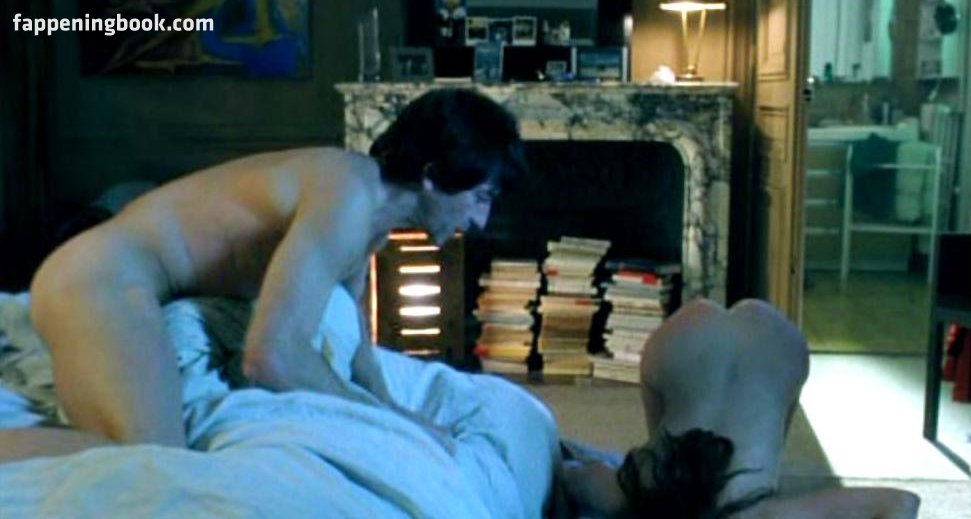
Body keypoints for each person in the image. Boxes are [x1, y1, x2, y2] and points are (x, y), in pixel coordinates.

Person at [26, 87, 527, 450]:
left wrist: (405, 418)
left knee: (141, 455)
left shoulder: (374, 221)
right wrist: (392, 426)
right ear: (433, 177)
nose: (480, 220)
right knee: (152, 461)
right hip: (100, 277)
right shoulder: (347, 196)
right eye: (481, 196)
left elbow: (361, 354)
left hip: (126, 284)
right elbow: (270, 356)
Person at [558, 298, 921, 519]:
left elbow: (903, 504)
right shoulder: (635, 493)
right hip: (683, 339)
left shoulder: (758, 513)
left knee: (763, 419)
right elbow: (572, 476)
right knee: (665, 434)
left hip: (770, 340)